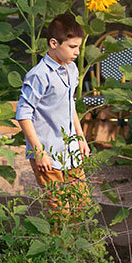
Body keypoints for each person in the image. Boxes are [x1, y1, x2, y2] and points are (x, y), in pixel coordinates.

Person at [15, 13, 92, 220]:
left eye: (78, 46)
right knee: (60, 211)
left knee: (82, 203)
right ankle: (59, 251)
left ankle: (76, 250)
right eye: (72, 47)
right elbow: (23, 113)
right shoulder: (39, 75)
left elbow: (70, 105)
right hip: (48, 154)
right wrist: (38, 152)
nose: (77, 52)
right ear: (53, 43)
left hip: (71, 150)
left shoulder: (72, 69)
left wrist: (80, 136)